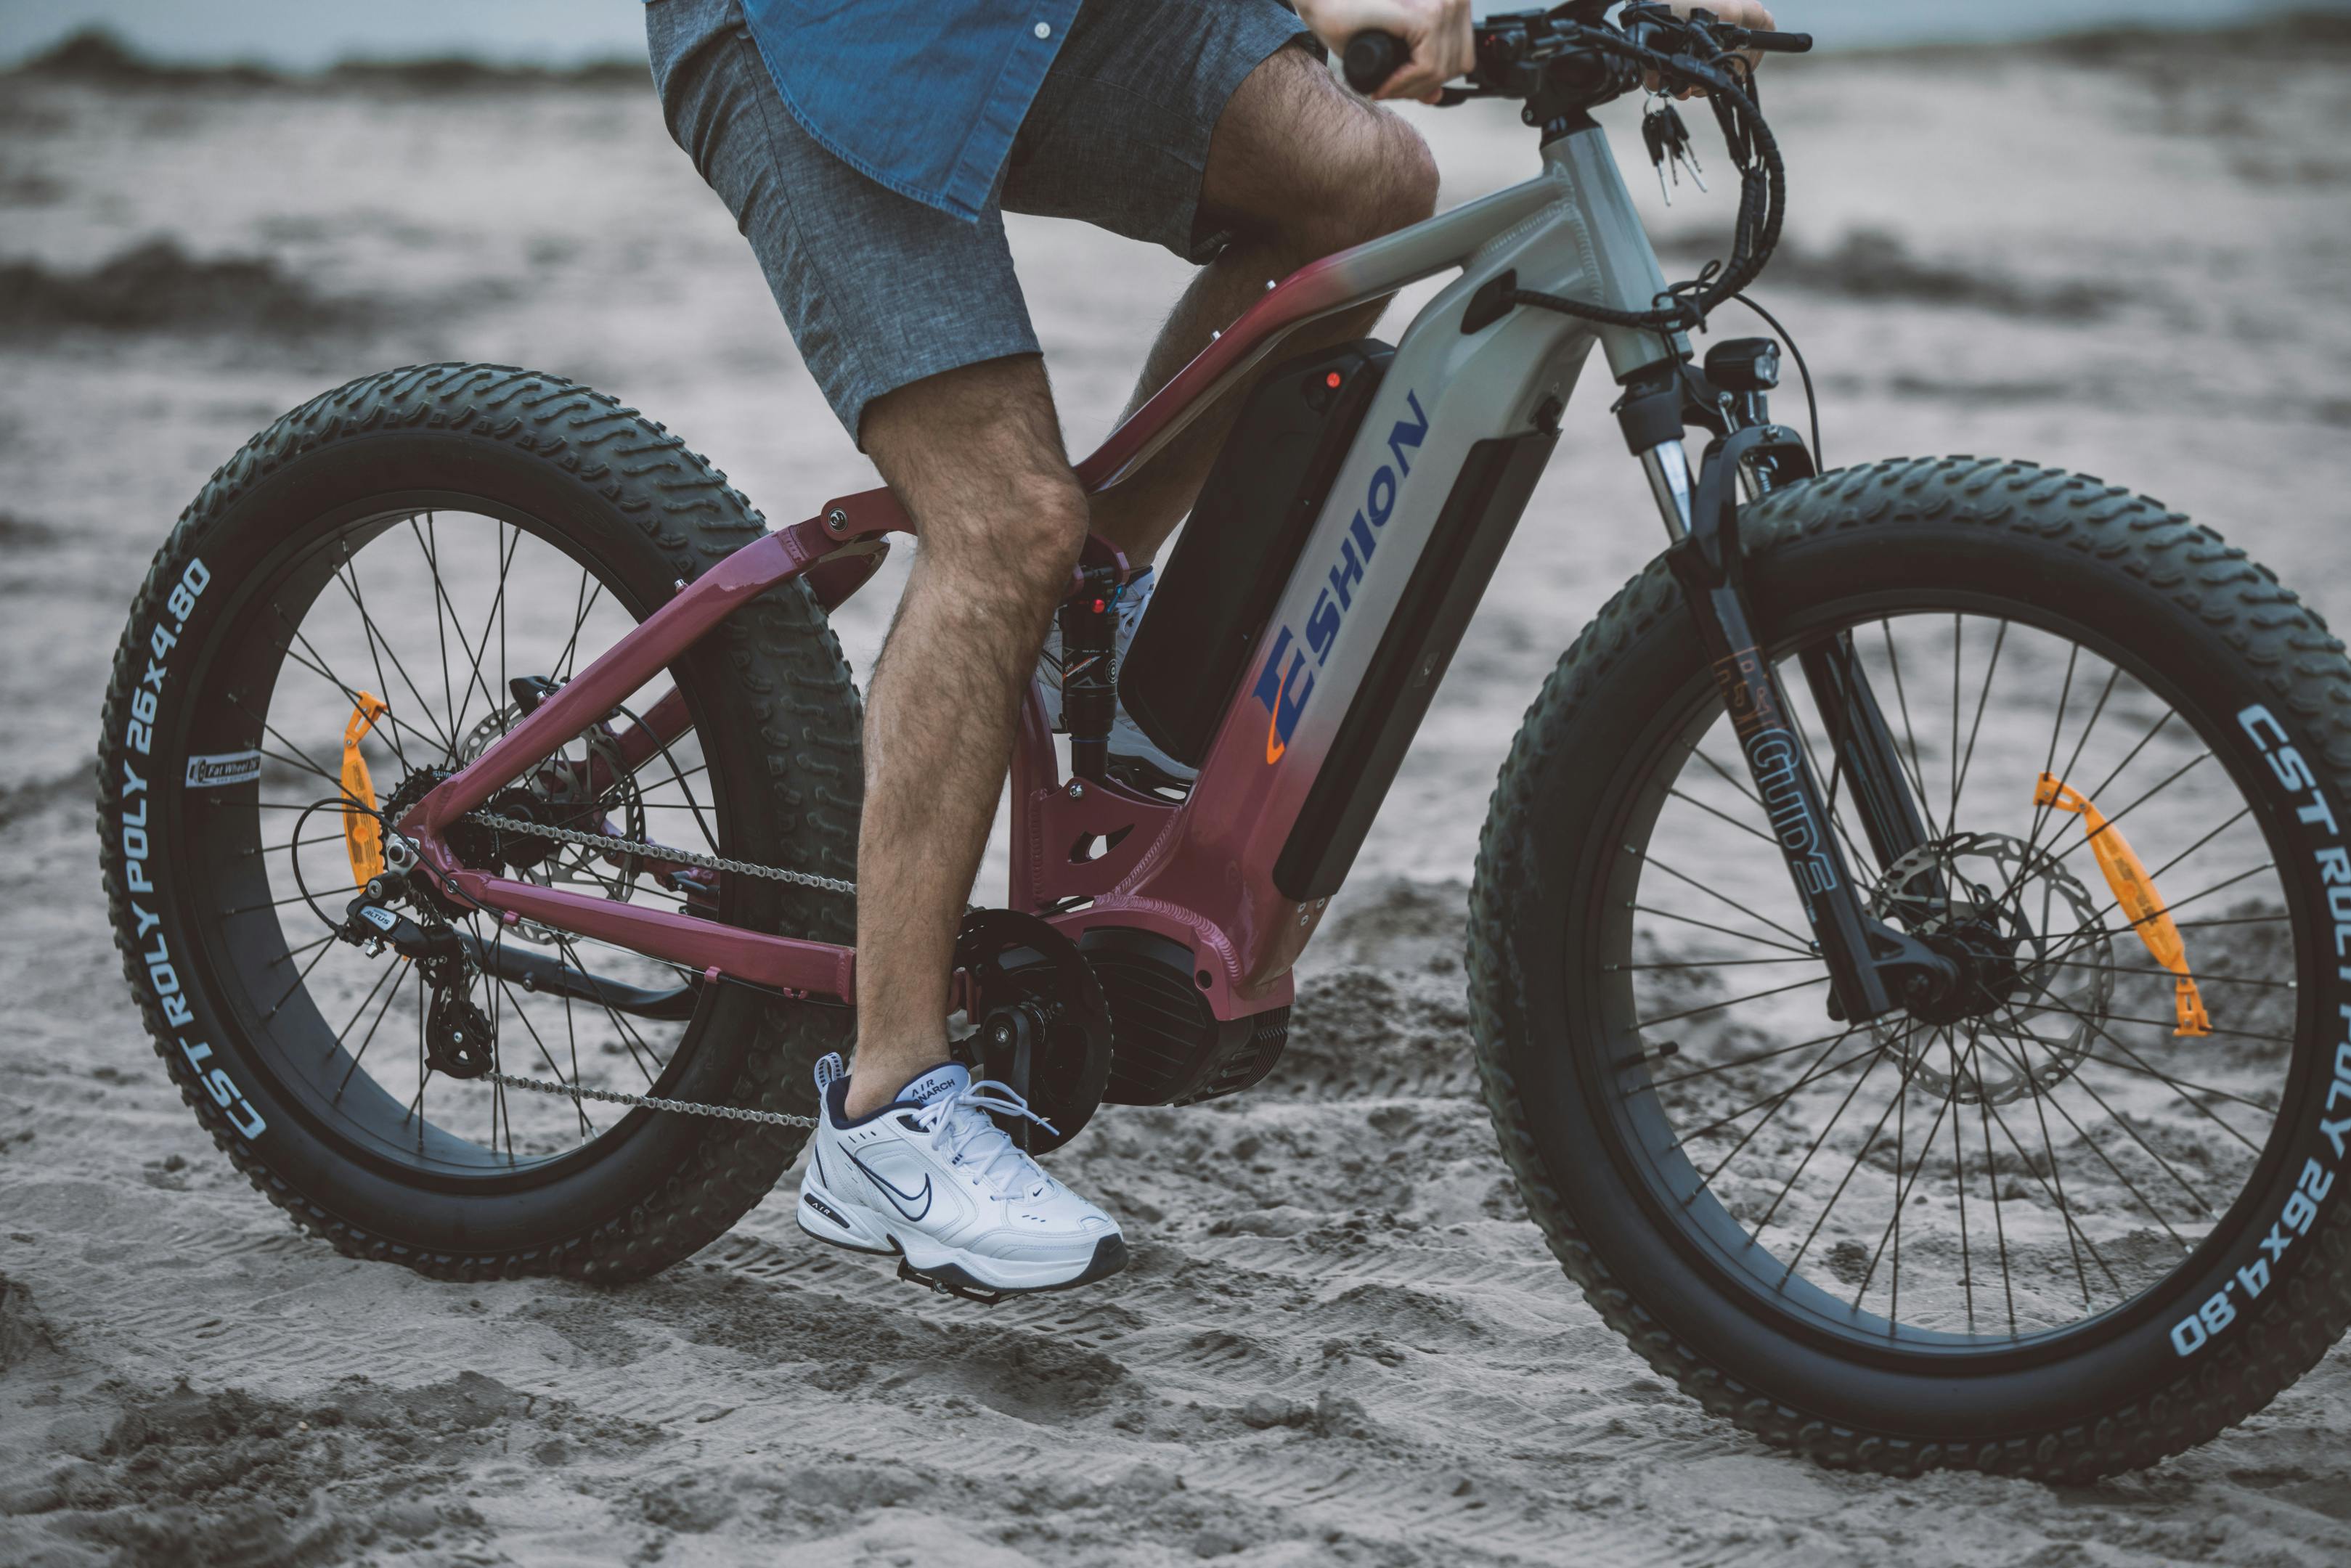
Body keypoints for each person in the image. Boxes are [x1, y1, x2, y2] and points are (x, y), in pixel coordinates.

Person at [642, 0, 1773, 1294]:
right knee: (1003, 523)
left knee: (1363, 189)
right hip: (828, 45)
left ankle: (1077, 618)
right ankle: (887, 1110)